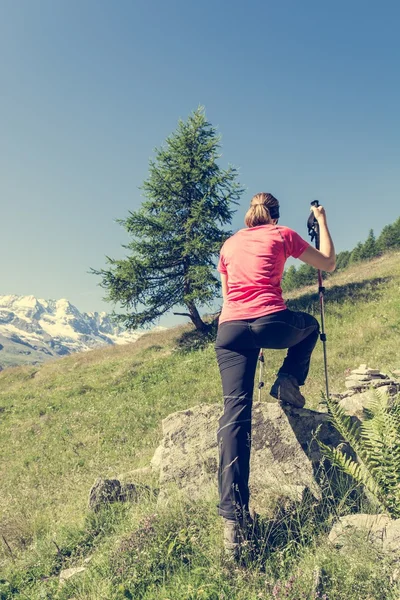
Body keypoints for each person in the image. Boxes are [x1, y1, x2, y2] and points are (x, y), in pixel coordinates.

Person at [215, 192, 335, 558]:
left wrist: (250, 333)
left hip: (231, 329)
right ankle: (287, 382)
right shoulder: (283, 234)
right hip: (271, 320)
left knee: (235, 415)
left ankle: (234, 521)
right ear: (275, 215)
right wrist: (322, 221)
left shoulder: (229, 244)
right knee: (311, 327)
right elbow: (328, 263)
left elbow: (229, 299)